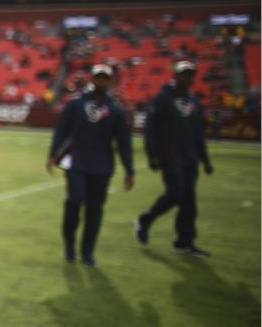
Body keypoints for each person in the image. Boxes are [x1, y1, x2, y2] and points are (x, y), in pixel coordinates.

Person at [46, 63, 134, 266]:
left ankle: (87, 251)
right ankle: (69, 245)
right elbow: (61, 130)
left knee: (95, 210)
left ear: (111, 81)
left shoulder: (116, 111)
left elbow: (123, 142)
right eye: (98, 77)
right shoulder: (75, 104)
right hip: (76, 163)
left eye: (105, 78)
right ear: (92, 79)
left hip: (102, 167)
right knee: (74, 202)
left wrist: (129, 169)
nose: (101, 81)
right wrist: (53, 154)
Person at [135, 61, 215, 257]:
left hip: (190, 158)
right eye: (183, 74)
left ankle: (184, 242)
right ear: (176, 75)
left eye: (190, 75)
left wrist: (205, 159)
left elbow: (198, 133)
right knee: (176, 194)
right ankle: (145, 220)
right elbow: (151, 128)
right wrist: (152, 154)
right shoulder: (163, 98)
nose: (186, 78)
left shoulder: (194, 101)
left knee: (189, 201)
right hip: (170, 156)